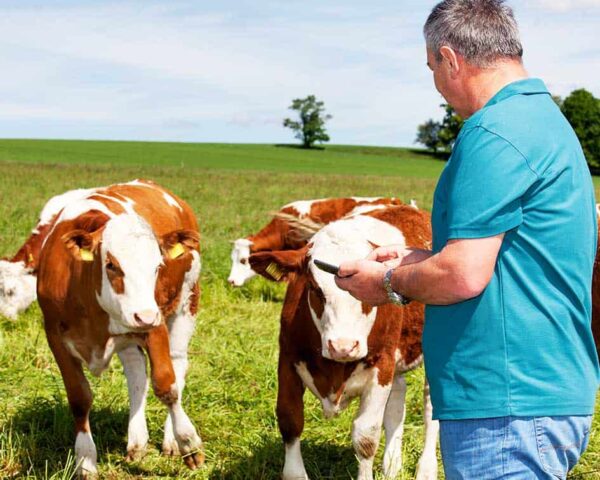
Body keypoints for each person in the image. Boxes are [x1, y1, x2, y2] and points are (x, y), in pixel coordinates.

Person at [334, 0, 599, 478]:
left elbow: (462, 275)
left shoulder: (494, 132)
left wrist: (387, 282)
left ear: (451, 59)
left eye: (433, 66)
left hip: (504, 403)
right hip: (536, 392)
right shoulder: (542, 122)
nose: (435, 81)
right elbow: (506, 258)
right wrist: (424, 257)